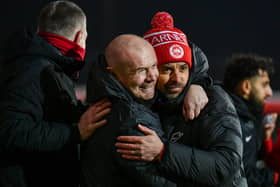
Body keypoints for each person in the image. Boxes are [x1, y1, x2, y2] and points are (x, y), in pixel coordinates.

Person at [115, 12, 247, 187]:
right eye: (167, 70)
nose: (177, 78)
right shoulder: (145, 103)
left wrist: (163, 151)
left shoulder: (213, 100)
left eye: (183, 68)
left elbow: (225, 166)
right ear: (151, 72)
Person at [0, 1, 111, 187]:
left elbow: (49, 115)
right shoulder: (32, 69)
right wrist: (75, 133)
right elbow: (11, 131)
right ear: (80, 36)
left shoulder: (46, 66)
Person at [81, 34, 174, 187]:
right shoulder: (132, 121)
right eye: (141, 70)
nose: (152, 76)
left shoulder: (105, 101)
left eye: (154, 66)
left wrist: (198, 84)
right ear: (113, 74)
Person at [223, 53, 275, 187]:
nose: (269, 92)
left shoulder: (245, 115)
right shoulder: (233, 120)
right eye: (264, 85)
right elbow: (239, 174)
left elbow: (248, 160)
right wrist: (274, 178)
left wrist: (264, 140)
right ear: (246, 87)